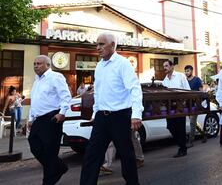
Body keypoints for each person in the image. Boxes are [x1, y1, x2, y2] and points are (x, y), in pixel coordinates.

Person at [80, 32, 143, 185]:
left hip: (120, 117)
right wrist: (96, 113)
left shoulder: (123, 63)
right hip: (102, 117)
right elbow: (99, 92)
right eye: (97, 44)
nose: (98, 48)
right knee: (91, 155)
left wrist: (136, 114)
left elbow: (134, 89)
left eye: (101, 44)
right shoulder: (99, 66)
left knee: (126, 155)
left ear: (113, 45)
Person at [28, 55, 71, 185]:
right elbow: (35, 101)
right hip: (38, 120)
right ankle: (60, 167)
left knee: (50, 151)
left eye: (39, 63)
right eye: (34, 64)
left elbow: (65, 96)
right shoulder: (37, 81)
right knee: (34, 146)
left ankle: (48, 181)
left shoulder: (56, 77)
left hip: (52, 118)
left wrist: (62, 113)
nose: (36, 66)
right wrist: (30, 118)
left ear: (48, 65)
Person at [162, 60, 191, 158]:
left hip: (180, 105)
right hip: (169, 107)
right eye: (164, 66)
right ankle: (182, 143)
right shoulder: (165, 80)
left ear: (172, 66)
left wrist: (183, 103)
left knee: (180, 128)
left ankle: (182, 148)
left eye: (166, 66)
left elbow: (187, 90)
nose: (164, 68)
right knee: (170, 126)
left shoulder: (180, 76)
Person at [184, 64, 207, 147]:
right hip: (188, 104)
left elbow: (201, 92)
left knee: (192, 123)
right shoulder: (185, 80)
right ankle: (204, 134)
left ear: (191, 71)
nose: (186, 73)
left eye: (188, 71)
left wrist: (199, 103)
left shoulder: (197, 79)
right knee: (194, 123)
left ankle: (191, 141)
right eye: (185, 71)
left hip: (195, 104)